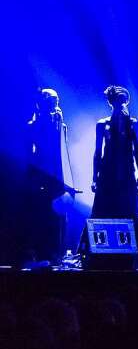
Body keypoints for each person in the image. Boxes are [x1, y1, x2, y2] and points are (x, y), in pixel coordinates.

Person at [22, 88, 68, 263]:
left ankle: (56, 252)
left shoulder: (60, 125)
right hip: (39, 173)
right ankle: (37, 251)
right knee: (39, 211)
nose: (56, 104)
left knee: (57, 213)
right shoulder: (33, 126)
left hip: (57, 174)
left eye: (57, 100)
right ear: (43, 103)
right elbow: (29, 153)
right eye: (52, 100)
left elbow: (63, 151)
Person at [92, 86, 138, 220]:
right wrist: (94, 178)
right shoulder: (102, 124)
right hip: (107, 173)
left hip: (127, 172)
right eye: (118, 101)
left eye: (123, 101)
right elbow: (97, 152)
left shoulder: (133, 124)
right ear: (112, 103)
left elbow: (137, 150)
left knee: (129, 212)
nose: (121, 104)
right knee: (103, 212)